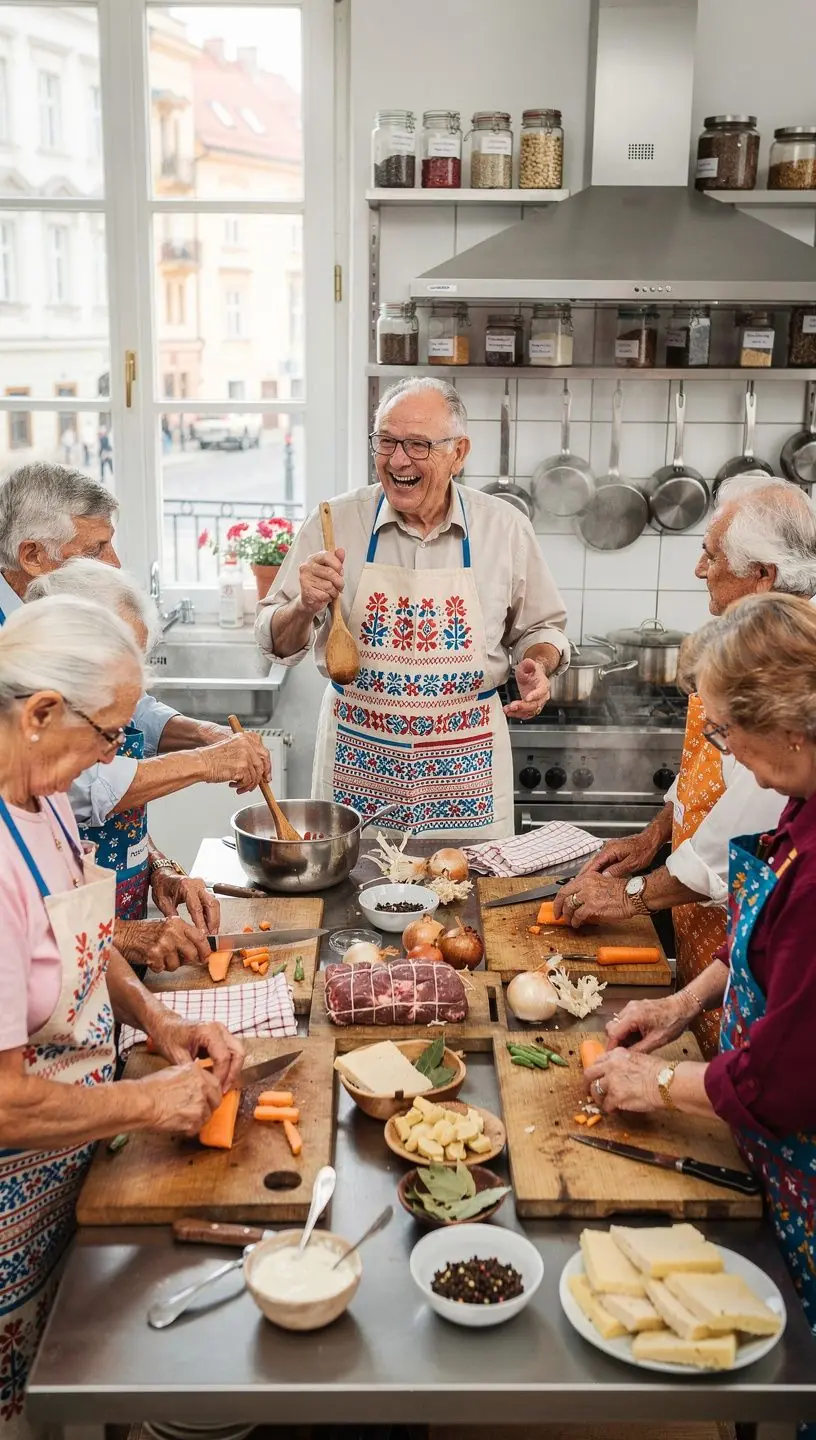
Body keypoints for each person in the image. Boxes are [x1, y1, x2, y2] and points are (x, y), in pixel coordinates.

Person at [0, 594, 244, 1436]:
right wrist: (148, 1101)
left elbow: (87, 933)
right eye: (109, 734)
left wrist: (156, 1026)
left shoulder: (41, 795)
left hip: (73, 1151)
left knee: (77, 1375)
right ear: (38, 714)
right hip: (9, 1195)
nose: (115, 755)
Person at [586, 592, 816, 1400]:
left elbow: (782, 1081)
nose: (725, 752)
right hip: (767, 1151)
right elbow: (755, 936)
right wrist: (684, 1007)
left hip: (806, 1167)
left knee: (792, 1373)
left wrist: (659, 1084)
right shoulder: (802, 802)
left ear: (787, 723)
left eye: (726, 732)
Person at [554, 475, 816, 1053]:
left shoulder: (785, 674)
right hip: (715, 958)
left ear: (763, 575)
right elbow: (708, 766)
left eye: (712, 554)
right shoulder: (747, 639)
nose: (700, 568)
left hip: (744, 956)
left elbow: (740, 829)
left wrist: (631, 897)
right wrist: (656, 835)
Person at [256, 377, 569, 838]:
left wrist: (538, 664)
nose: (398, 460)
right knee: (351, 900)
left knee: (466, 902)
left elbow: (543, 630)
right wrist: (303, 607)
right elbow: (274, 641)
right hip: (356, 773)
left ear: (458, 453)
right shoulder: (334, 522)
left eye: (418, 445)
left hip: (468, 780)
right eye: (386, 441)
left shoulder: (504, 528)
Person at [26, 561, 262, 972]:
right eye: (105, 733)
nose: (107, 756)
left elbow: (74, 908)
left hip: (104, 961)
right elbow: (31, 930)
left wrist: (157, 866)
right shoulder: (27, 786)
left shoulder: (56, 756)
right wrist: (124, 936)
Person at [0, 463, 271, 799]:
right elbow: (79, 786)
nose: (114, 562)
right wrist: (206, 761)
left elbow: (123, 703)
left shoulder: (62, 605)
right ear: (32, 555)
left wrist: (205, 734)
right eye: (94, 550)